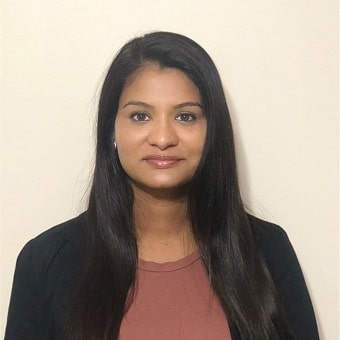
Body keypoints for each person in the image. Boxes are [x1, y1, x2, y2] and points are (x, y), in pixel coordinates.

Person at [5, 31, 319, 340]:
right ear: (111, 130)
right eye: (140, 116)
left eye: (185, 116)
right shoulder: (46, 261)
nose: (163, 138)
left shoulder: (267, 251)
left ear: (213, 132)